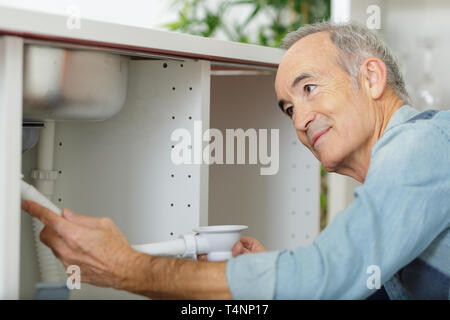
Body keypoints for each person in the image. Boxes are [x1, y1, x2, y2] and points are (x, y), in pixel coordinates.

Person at [21, 21, 450, 300]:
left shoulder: (425, 144)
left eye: (309, 88)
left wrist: (125, 268)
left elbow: (326, 279)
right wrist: (269, 277)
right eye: (287, 109)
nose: (299, 119)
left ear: (371, 78)